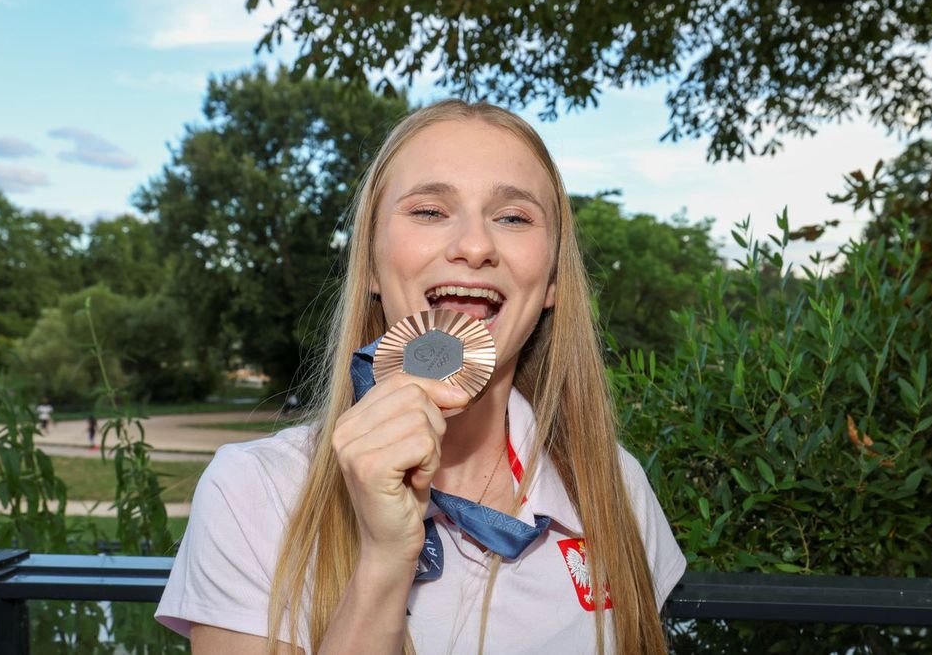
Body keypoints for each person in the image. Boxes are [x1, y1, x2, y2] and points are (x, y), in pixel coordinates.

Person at [155, 100, 685, 654]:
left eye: (513, 217)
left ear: (551, 280)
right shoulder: (254, 492)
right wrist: (384, 561)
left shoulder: (614, 486)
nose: (475, 246)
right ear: (373, 265)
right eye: (429, 211)